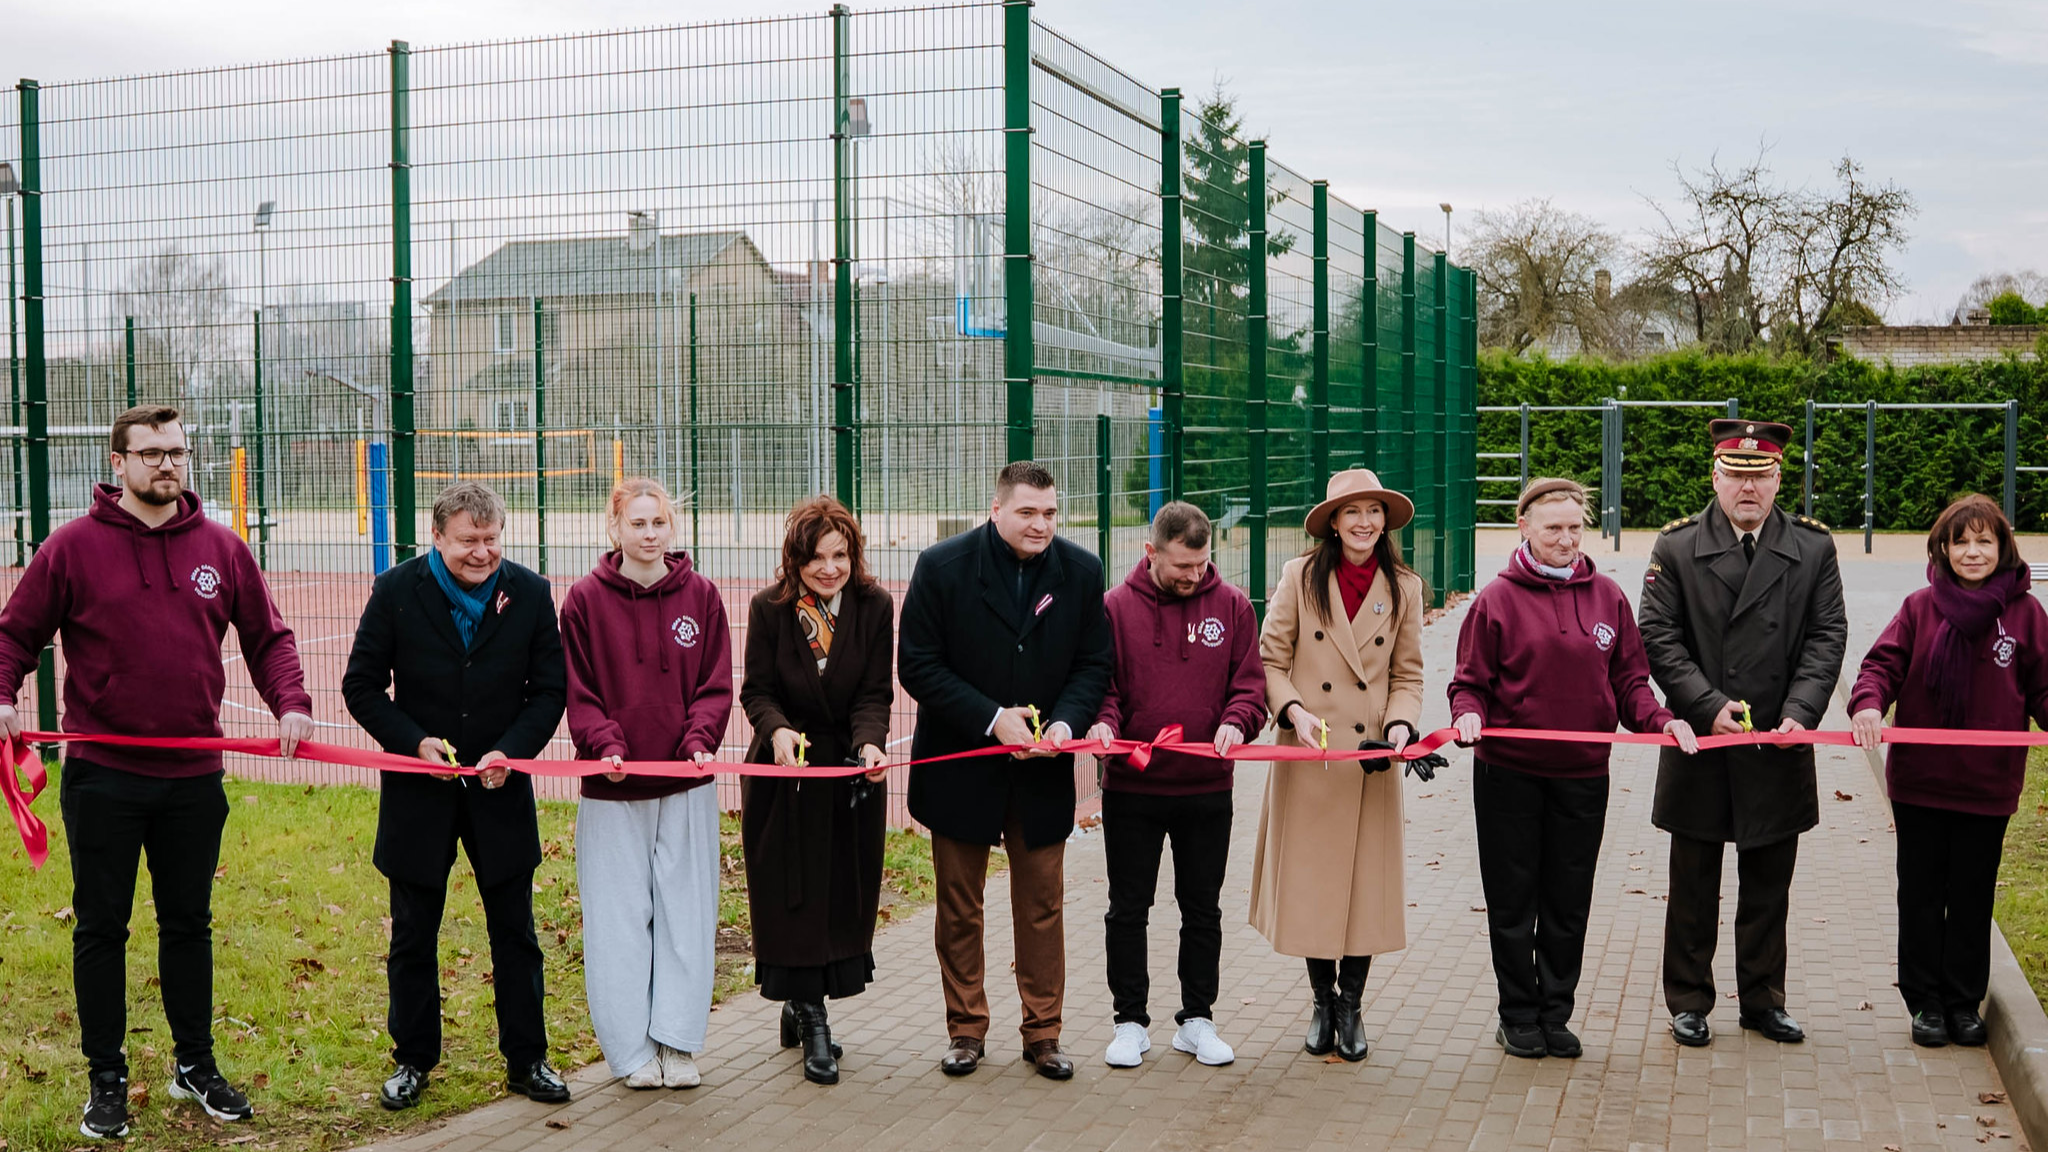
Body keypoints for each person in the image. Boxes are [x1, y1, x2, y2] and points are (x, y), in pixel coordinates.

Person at [0, 405, 313, 1139]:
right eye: (151, 453)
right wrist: (2, 694)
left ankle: (194, 1064)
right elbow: (14, 635)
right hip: (103, 774)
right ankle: (106, 1079)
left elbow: (268, 638)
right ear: (119, 464)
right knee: (101, 927)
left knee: (188, 923)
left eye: (177, 452)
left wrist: (292, 702)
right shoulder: (71, 548)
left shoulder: (222, 548)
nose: (168, 464)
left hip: (193, 775)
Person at [1448, 478, 1700, 1060]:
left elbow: (1631, 683)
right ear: (1525, 528)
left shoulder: (1607, 596)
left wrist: (1662, 721)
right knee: (1513, 900)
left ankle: (1555, 1012)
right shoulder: (1496, 600)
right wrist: (1468, 715)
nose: (1566, 540)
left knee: (1568, 899)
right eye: (1553, 529)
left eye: (1574, 528)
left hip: (1583, 775)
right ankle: (1517, 1015)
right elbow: (1469, 682)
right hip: (1508, 775)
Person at [341, 481, 570, 1109]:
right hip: (419, 797)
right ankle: (413, 1060)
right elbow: (361, 686)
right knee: (413, 935)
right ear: (437, 536)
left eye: (492, 539)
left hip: (501, 791)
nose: (482, 552)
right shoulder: (395, 591)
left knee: (515, 933)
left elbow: (549, 691)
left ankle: (528, 1059)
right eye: (469, 540)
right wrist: (413, 743)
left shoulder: (530, 593)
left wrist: (511, 751)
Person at [899, 461, 1114, 1080]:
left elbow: (1093, 665)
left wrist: (1064, 726)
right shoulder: (941, 567)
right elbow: (917, 663)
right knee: (959, 907)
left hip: (1042, 772)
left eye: (1050, 513)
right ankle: (966, 1030)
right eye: (1027, 512)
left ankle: (1043, 1034)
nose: (1041, 524)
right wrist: (993, 719)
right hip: (960, 765)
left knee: (1042, 906)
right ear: (996, 510)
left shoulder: (1082, 572)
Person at [1639, 419, 1847, 1048]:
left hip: (1778, 739)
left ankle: (1763, 1000)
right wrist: (1706, 706)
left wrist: (1801, 711)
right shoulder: (1676, 546)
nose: (1747, 488)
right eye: (1735, 475)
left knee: (1768, 887)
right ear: (1715, 477)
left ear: (1779, 479)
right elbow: (1658, 637)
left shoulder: (1813, 547)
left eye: (1760, 476)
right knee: (1693, 886)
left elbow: (1826, 636)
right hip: (1704, 742)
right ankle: (1688, 1001)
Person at [1850, 493, 2048, 1049]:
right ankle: (1925, 1004)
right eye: (1960, 542)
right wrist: (1868, 705)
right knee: (1919, 894)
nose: (1972, 552)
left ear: (2003, 547)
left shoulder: (2026, 615)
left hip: (1988, 784)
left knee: (1971, 897)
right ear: (1942, 548)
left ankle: (1963, 1003)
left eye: (1984, 541)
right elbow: (1880, 666)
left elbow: (2043, 687)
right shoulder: (1920, 607)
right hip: (1921, 784)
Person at [559, 478, 730, 1090]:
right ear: (615, 528)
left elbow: (714, 685)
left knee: (687, 917)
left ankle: (677, 1043)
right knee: (618, 922)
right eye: (638, 523)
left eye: (659, 523)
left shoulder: (702, 596)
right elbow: (578, 691)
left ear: (671, 528)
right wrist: (604, 743)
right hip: (613, 788)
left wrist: (699, 740)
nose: (650, 534)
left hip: (685, 783)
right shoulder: (583, 601)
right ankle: (630, 1052)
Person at [1251, 468, 1425, 1064]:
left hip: (1369, 759)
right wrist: (1293, 711)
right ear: (1332, 522)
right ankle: (1321, 1001)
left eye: (1374, 511)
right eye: (1352, 511)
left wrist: (1400, 726)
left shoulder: (1404, 587)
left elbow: (1408, 676)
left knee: (1364, 887)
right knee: (1314, 884)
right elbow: (1270, 660)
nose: (1364, 522)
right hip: (1311, 755)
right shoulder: (1299, 578)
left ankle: (1351, 1004)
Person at [1086, 501, 1265, 1069]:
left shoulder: (1233, 606)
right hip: (1132, 788)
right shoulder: (1114, 608)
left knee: (1202, 909)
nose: (1194, 575)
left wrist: (1237, 722)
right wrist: (1105, 724)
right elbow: (1104, 687)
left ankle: (1197, 1020)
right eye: (1182, 565)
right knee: (1127, 909)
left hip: (1206, 787)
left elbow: (1249, 687)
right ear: (1151, 552)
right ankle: (1129, 1022)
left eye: (1202, 563)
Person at [739, 496, 894, 1085]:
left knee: (839, 894)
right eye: (816, 559)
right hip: (785, 775)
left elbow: (873, 693)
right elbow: (756, 691)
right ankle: (811, 1017)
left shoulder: (874, 606)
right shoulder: (769, 609)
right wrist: (777, 730)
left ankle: (802, 1003)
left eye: (840, 556)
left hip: (848, 772)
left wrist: (870, 743)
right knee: (792, 897)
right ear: (795, 560)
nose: (829, 569)